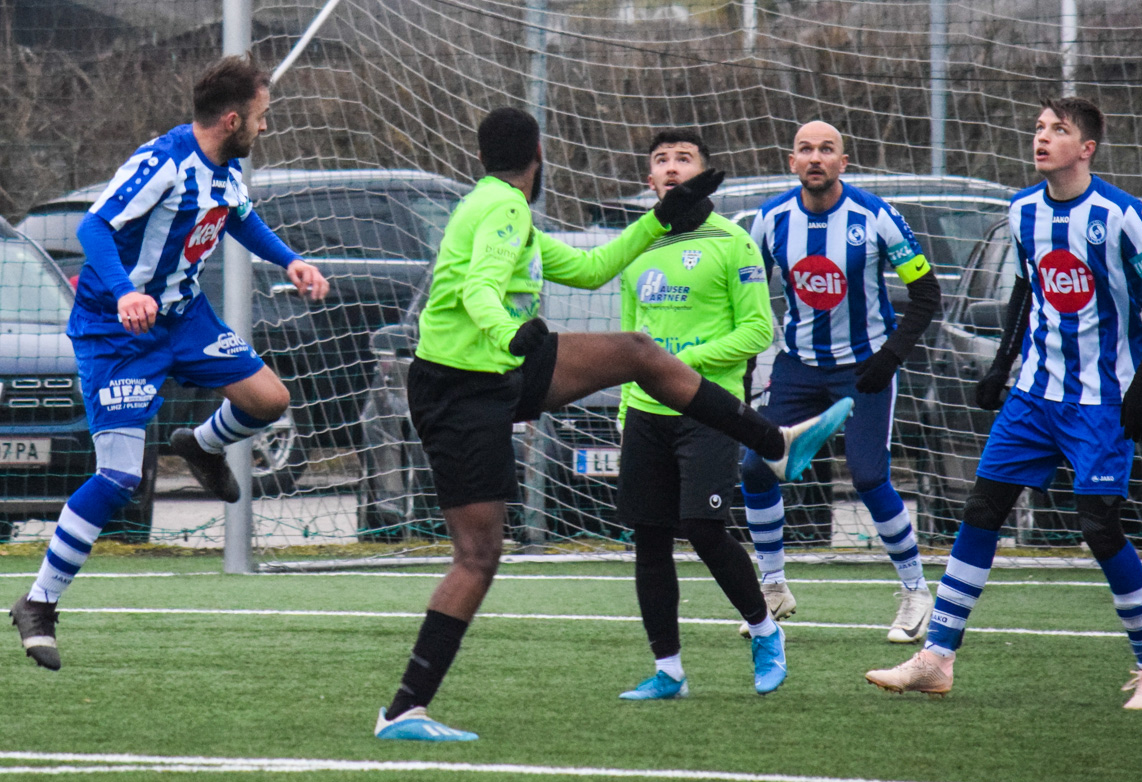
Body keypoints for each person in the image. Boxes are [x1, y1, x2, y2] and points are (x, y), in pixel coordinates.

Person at [374, 107, 853, 742]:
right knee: (478, 557)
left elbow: (591, 269)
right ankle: (403, 711)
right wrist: (509, 331)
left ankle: (773, 443)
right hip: (468, 385)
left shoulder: (496, 204)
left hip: (490, 372)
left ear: (484, 157)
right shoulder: (504, 208)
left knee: (636, 351)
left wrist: (659, 220)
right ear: (539, 154)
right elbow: (479, 289)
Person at [866, 97, 1142, 711]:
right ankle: (936, 657)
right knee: (982, 510)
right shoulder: (1022, 210)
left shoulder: (1122, 214)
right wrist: (1000, 365)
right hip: (1034, 394)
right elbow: (1025, 289)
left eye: (1058, 130)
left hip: (1100, 401)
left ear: (1086, 148)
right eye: (1039, 128)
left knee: (1099, 528)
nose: (1042, 137)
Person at [10, 54, 330, 670]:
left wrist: (290, 260)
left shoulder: (225, 167)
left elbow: (239, 219)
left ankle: (201, 446)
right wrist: (125, 293)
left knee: (269, 400)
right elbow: (95, 229)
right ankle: (38, 602)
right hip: (118, 332)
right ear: (232, 119)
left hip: (184, 319)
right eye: (261, 116)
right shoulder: (164, 162)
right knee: (118, 479)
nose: (265, 127)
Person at [739, 121, 942, 642]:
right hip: (797, 368)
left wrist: (890, 357)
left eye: (826, 149)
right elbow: (747, 297)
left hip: (864, 367)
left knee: (870, 477)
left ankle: (916, 591)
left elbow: (927, 294)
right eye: (805, 149)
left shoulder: (875, 216)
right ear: (792, 162)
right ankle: (773, 586)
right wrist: (746, 370)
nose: (815, 158)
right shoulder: (770, 219)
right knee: (755, 467)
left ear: (843, 163)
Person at [613, 129, 786, 701]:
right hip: (645, 413)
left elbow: (757, 330)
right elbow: (631, 337)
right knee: (649, 539)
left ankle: (765, 631)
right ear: (649, 180)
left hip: (708, 410)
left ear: (702, 176)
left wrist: (679, 366)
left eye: (683, 159)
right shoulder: (637, 245)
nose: (671, 168)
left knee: (705, 530)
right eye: (661, 160)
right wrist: (625, 407)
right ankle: (668, 671)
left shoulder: (733, 241)